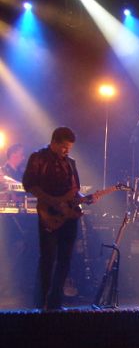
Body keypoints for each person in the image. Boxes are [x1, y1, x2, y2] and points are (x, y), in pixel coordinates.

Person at [22, 126, 91, 310]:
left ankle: (55, 302)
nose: (67, 151)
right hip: (49, 214)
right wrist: (53, 201)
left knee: (65, 259)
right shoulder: (38, 158)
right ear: (53, 142)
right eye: (64, 147)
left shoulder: (71, 163)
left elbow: (75, 190)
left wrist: (83, 199)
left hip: (69, 216)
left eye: (69, 148)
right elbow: (29, 184)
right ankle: (41, 302)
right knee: (48, 259)